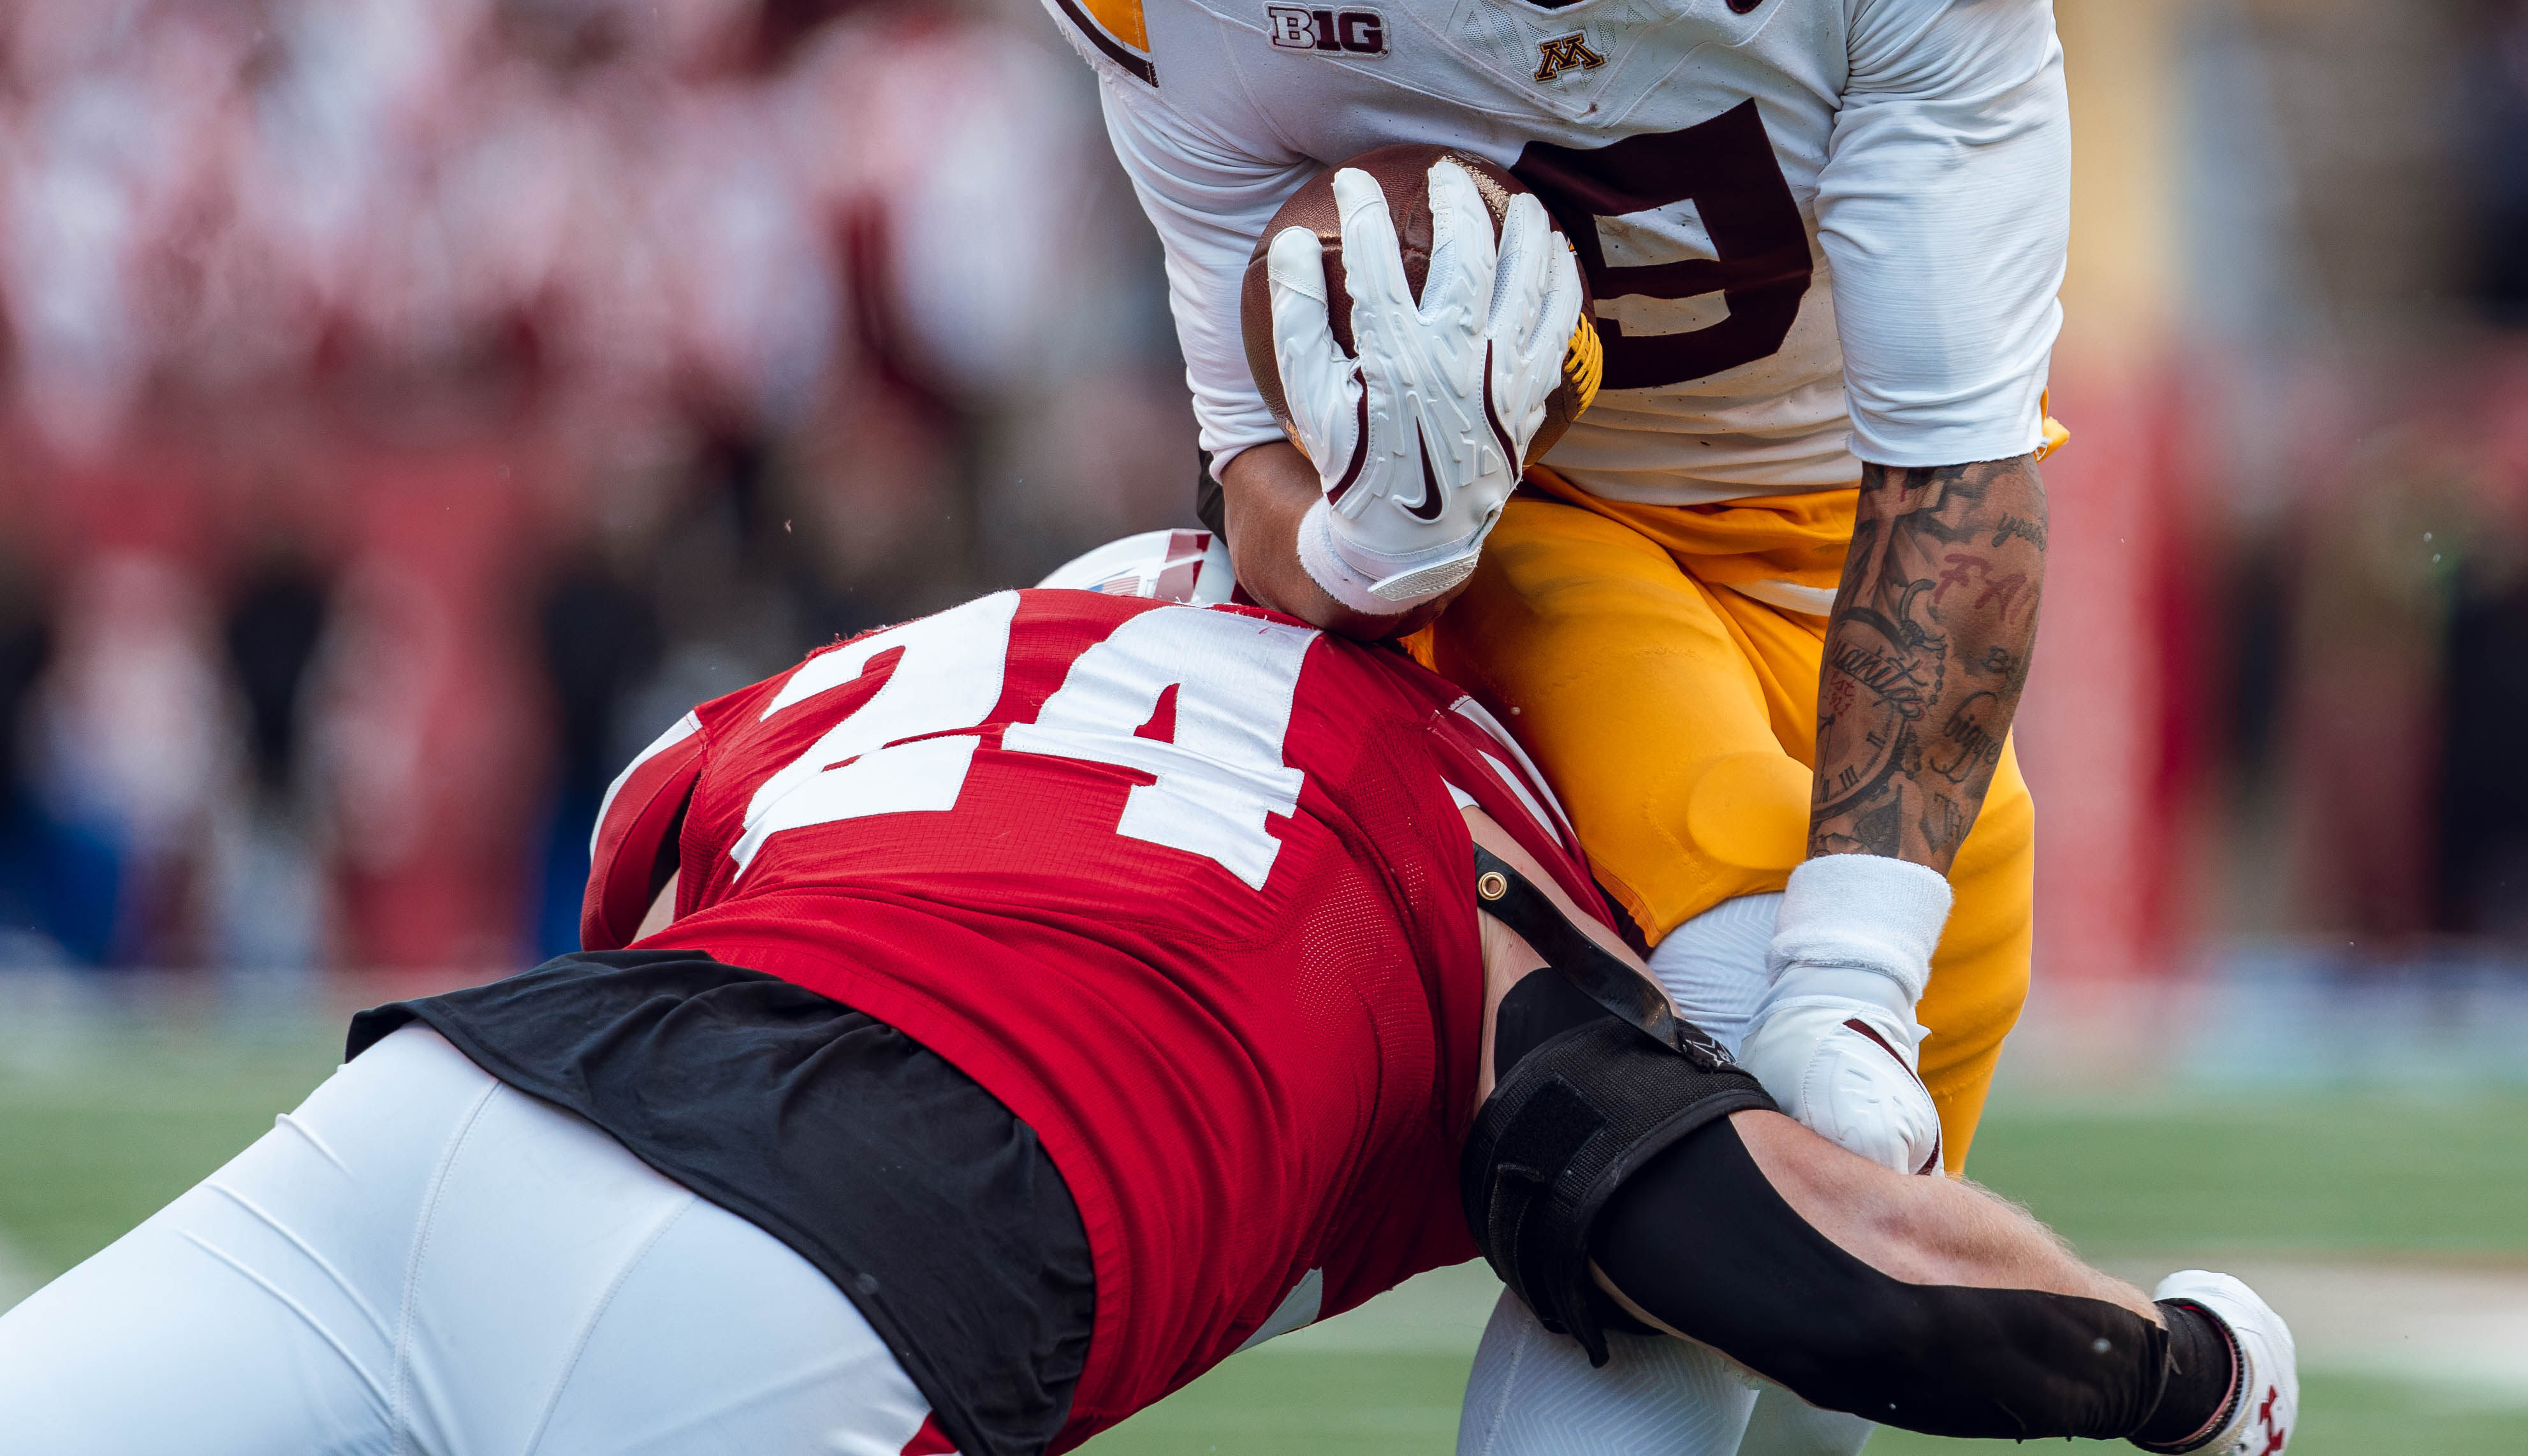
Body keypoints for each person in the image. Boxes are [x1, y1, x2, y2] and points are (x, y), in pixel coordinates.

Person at [1028, 0, 2130, 1453]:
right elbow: (1248, 472)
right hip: (1537, 514)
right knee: (1714, 1091)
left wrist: (1857, 967)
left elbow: (1953, 453)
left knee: (1843, 1276)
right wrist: (1374, 544)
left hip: (1857, 530)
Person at [0, 532, 2292, 1456]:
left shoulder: (922, 658)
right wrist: (2183, 1370)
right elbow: (1845, 1284)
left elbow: (642, 855)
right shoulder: (1486, 854)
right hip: (806, 1288)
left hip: (428, 1139)